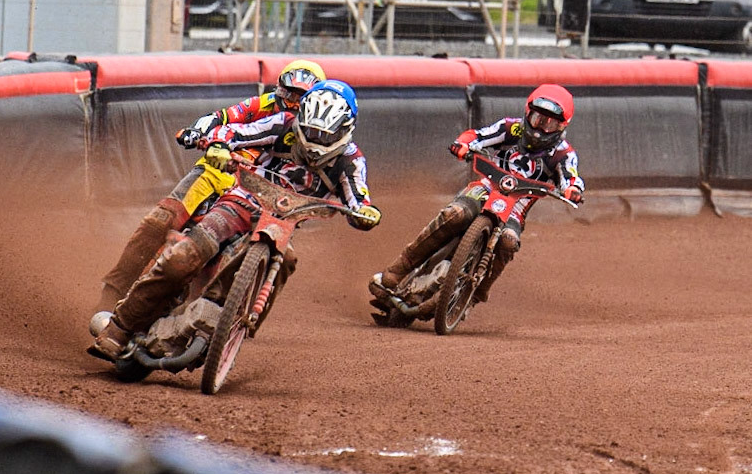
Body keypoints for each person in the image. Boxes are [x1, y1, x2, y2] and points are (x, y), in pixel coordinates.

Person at [90, 80, 382, 361]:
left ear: (344, 130)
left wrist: (365, 213)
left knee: (288, 259)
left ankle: (240, 321)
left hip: (282, 224)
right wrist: (218, 144)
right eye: (311, 132)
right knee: (183, 256)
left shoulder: (351, 160)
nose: (316, 142)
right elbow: (235, 131)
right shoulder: (282, 123)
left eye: (325, 136)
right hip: (240, 202)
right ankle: (119, 327)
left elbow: (358, 197)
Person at [95, 60, 327, 313]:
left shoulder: (320, 132)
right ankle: (114, 290)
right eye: (288, 93)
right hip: (217, 170)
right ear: (279, 88)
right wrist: (197, 132)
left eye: (300, 98)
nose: (292, 102)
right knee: (160, 219)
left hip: (263, 193)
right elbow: (220, 118)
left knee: (280, 254)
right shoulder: (262, 104)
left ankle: (239, 315)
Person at [376, 83, 584, 303]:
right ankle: (399, 269)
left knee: (508, 241)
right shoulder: (511, 128)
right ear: (527, 113)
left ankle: (481, 289)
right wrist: (463, 144)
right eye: (536, 119)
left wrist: (573, 190)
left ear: (562, 127)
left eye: (549, 124)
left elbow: (572, 177)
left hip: (516, 208)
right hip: (485, 187)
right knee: (455, 213)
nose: (540, 128)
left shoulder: (564, 154)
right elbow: (478, 136)